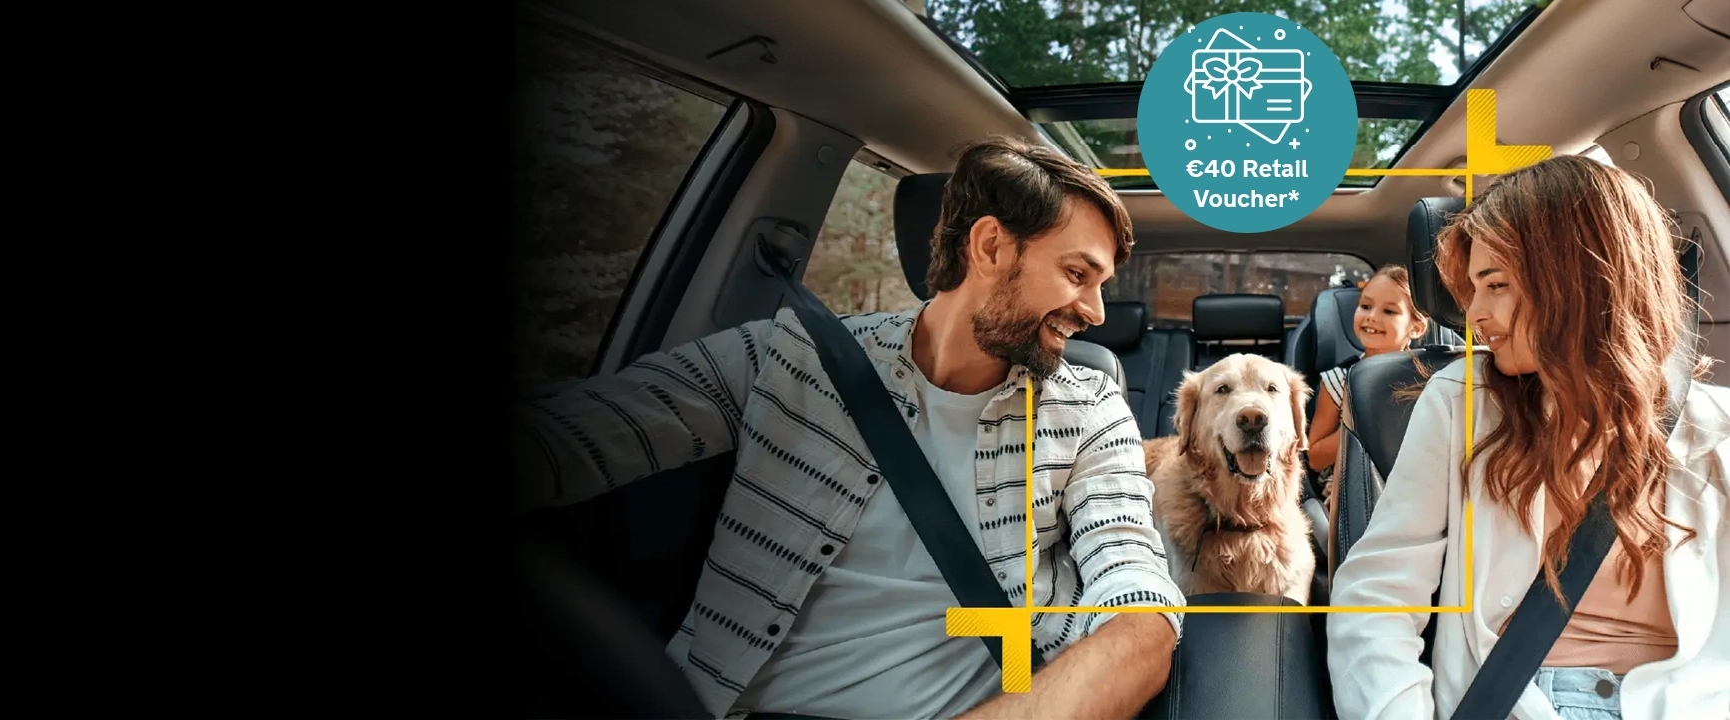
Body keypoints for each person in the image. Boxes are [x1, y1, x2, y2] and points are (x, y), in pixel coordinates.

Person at [515, 135, 1185, 720]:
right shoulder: (788, 355)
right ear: (989, 246)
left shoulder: (1090, 406)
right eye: (1077, 274)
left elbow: (1137, 597)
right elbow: (578, 434)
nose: (1097, 311)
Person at [1325, 155, 1729, 720]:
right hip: (1522, 699)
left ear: (1583, 277)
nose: (1475, 317)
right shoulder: (1462, 401)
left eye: (1496, 285)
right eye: (1472, 290)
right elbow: (1379, 594)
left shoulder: (1717, 428)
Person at [1304, 264, 1430, 569]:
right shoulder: (1337, 381)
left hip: (1416, 482)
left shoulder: (1431, 381)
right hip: (1350, 487)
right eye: (1365, 306)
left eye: (1389, 311)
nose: (1372, 316)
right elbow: (1316, 457)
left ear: (1416, 327)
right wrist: (1358, 422)